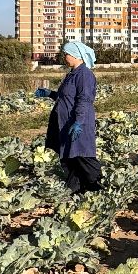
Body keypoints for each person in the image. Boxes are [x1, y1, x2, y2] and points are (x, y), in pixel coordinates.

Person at [45, 39, 101, 192]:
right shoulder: (72, 74)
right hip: (65, 122)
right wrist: (50, 94)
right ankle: (75, 190)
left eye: (67, 54)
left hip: (77, 122)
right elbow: (67, 97)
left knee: (83, 157)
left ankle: (98, 187)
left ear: (76, 55)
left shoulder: (85, 75)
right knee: (69, 158)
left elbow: (84, 100)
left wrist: (79, 122)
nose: (65, 57)